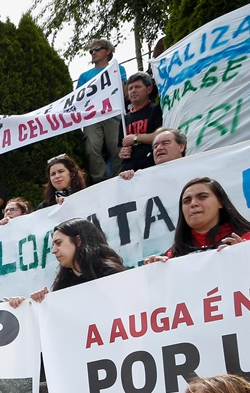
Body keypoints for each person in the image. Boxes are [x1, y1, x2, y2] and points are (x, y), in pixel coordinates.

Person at [148, 177, 250, 261]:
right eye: (187, 201)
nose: (193, 204)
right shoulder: (171, 256)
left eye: (202, 197)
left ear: (220, 202)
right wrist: (157, 272)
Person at [30, 218, 126, 300]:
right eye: (53, 245)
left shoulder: (111, 275)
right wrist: (43, 301)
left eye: (59, 243)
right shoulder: (62, 285)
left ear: (78, 241)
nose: (53, 251)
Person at [78, 39, 126, 183]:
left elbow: (123, 89)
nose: (93, 53)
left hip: (112, 112)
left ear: (108, 51)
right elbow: (78, 99)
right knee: (92, 148)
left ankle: (120, 178)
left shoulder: (117, 68)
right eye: (91, 51)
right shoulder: (84, 76)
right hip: (92, 116)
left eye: (97, 49)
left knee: (117, 146)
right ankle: (101, 182)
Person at [120, 72, 163, 173]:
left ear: (149, 89)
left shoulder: (156, 109)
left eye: (137, 87)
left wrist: (135, 138)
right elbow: (121, 146)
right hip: (129, 170)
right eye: (130, 88)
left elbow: (160, 135)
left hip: (151, 166)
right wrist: (122, 152)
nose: (133, 91)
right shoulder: (124, 118)